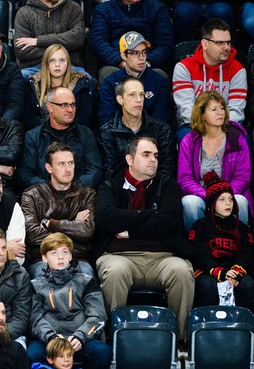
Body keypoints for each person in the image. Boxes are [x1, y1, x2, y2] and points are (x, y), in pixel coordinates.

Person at [94, 136, 194, 337]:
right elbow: (106, 217)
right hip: (120, 257)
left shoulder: (166, 184)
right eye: (146, 155)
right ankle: (114, 341)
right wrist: (148, 214)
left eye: (156, 156)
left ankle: (180, 342)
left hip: (162, 258)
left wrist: (132, 230)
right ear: (130, 159)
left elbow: (171, 218)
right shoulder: (110, 185)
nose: (153, 161)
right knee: (114, 271)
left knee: (182, 271)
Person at [28, 234, 110, 369]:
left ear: (70, 256)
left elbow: (97, 315)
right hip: (49, 340)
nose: (60, 257)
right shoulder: (35, 285)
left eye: (64, 252)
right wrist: (51, 338)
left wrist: (81, 336)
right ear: (44, 258)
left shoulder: (86, 281)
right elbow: (35, 318)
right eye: (54, 253)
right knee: (32, 354)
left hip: (79, 340)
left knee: (102, 352)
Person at [178, 91, 251, 231]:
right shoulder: (189, 141)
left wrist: (223, 196)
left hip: (229, 193)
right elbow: (184, 179)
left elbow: (243, 176)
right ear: (202, 115)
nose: (220, 112)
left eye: (222, 108)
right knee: (189, 202)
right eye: (214, 109)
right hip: (201, 194)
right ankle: (195, 244)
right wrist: (207, 195)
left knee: (240, 201)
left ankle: (240, 242)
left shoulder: (237, 138)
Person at [21, 143, 97, 269]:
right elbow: (32, 236)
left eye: (71, 163)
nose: (68, 169)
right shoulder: (32, 195)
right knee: (40, 279)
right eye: (62, 164)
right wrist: (74, 225)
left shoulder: (87, 194)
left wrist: (51, 224)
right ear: (49, 168)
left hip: (77, 259)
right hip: (43, 260)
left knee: (85, 277)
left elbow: (87, 231)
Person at [189, 172, 254, 309]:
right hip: (208, 270)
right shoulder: (200, 226)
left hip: (234, 270)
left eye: (230, 199)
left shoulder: (241, 227)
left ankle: (244, 325)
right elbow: (200, 253)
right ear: (212, 203)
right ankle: (205, 325)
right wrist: (220, 272)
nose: (228, 203)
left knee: (247, 284)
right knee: (207, 285)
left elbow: (247, 252)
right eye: (222, 199)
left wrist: (236, 273)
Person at [89, 0, 174, 72]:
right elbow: (99, 43)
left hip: (149, 65)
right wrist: (122, 63)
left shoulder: (157, 9)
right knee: (108, 73)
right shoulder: (103, 10)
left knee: (159, 75)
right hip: (116, 66)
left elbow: (165, 44)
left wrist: (146, 63)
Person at [19, 87, 102, 189]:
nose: (70, 110)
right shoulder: (33, 136)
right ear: (50, 107)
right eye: (64, 105)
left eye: (72, 105)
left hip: (79, 195)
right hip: (44, 197)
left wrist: (73, 188)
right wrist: (51, 189)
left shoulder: (86, 134)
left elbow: (95, 170)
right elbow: (26, 174)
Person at [173, 19, 246, 132]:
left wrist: (217, 130)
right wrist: (207, 128)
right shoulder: (184, 67)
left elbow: (236, 110)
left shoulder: (238, 70)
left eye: (228, 42)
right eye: (219, 43)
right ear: (205, 44)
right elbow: (186, 108)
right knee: (185, 136)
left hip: (226, 126)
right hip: (192, 125)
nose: (226, 47)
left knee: (243, 140)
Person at [14, 0, 86, 73]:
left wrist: (38, 41)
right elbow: (22, 51)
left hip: (68, 67)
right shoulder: (24, 13)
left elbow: (78, 38)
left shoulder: (73, 8)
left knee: (87, 81)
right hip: (35, 68)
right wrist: (62, 49)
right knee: (20, 79)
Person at [99, 76, 175, 177]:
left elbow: (166, 171)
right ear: (120, 99)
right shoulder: (107, 132)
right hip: (121, 188)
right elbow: (109, 172)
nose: (139, 100)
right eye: (132, 95)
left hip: (156, 188)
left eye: (142, 95)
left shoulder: (162, 130)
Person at [97, 31, 171, 125]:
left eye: (144, 52)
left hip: (150, 137)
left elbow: (162, 121)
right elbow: (106, 120)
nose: (141, 58)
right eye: (135, 53)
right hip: (118, 136)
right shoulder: (110, 83)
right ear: (123, 55)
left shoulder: (159, 82)